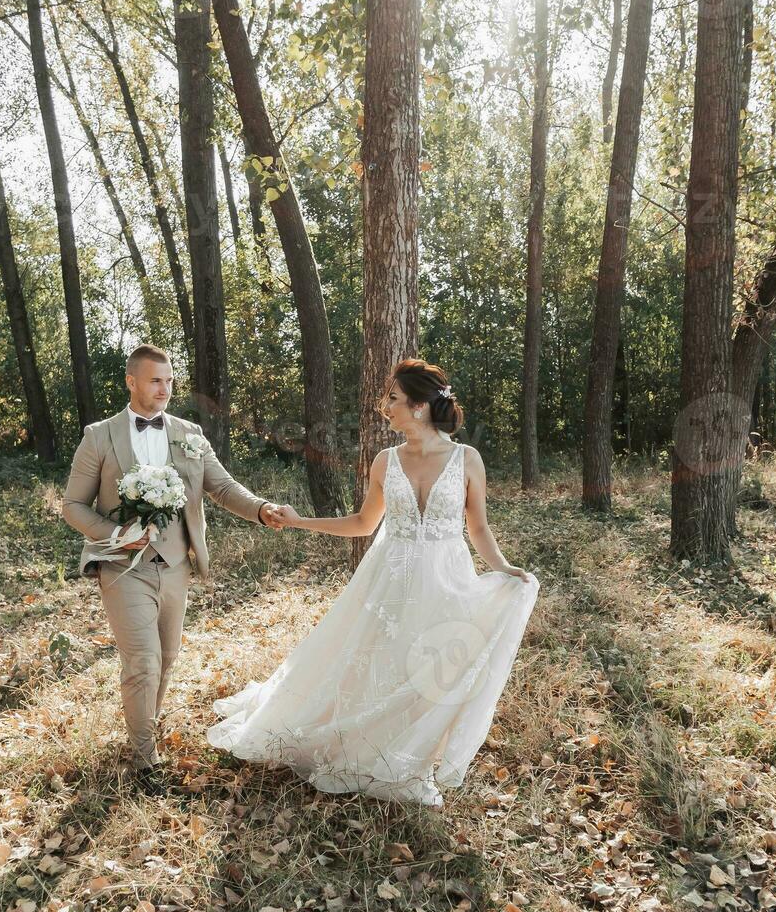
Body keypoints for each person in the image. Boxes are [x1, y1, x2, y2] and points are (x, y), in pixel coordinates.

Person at [207, 358, 539, 807]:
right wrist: (302, 520)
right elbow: (365, 524)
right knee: (378, 659)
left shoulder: (467, 459)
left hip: (446, 575)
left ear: (420, 406)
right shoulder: (386, 461)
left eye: (394, 399)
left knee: (430, 663)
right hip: (388, 576)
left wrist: (503, 569)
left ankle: (412, 758)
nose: (386, 407)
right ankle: (364, 748)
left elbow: (478, 528)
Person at [61, 344, 283, 793]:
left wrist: (261, 509)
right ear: (132, 382)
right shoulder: (100, 436)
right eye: (155, 380)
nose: (165, 389)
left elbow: (220, 486)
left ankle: (145, 726)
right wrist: (119, 535)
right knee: (141, 661)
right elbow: (72, 506)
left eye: (169, 380)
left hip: (177, 564)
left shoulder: (188, 433)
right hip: (124, 568)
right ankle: (145, 759)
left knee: (166, 659)